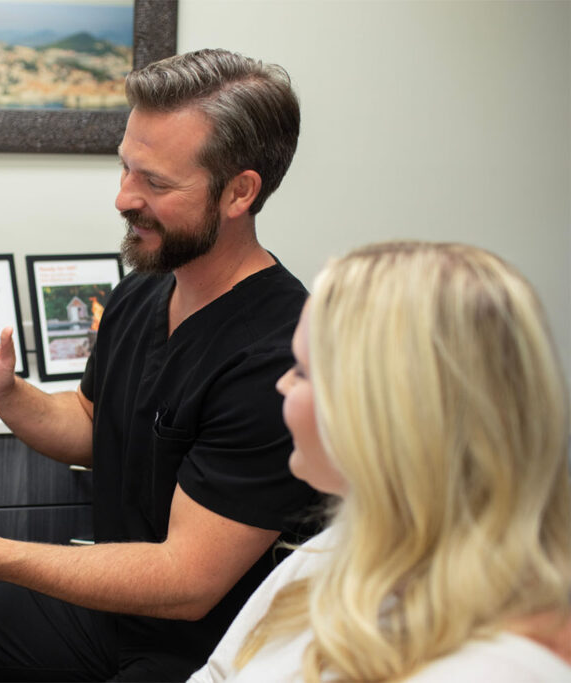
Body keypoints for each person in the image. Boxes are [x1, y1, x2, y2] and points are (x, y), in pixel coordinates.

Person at [0, 48, 320, 681]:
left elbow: (188, 583)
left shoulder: (277, 354)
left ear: (240, 191)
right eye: (126, 168)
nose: (123, 198)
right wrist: (5, 392)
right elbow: (92, 424)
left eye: (155, 183)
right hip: (117, 612)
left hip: (206, 642)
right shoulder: (149, 283)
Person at [189, 241, 571, 682]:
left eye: (303, 370)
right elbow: (218, 673)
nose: (281, 385)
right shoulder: (338, 549)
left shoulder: (497, 665)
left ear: (385, 410)